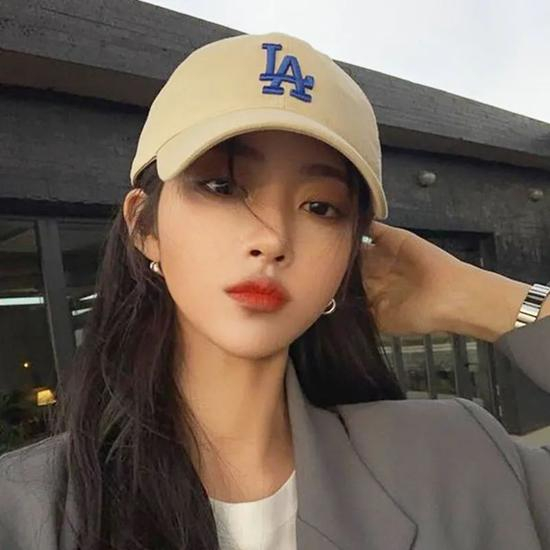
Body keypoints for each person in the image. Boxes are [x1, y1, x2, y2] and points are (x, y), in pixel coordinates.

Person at [1, 31, 549, 550]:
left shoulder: (456, 456)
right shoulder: (25, 510)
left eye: (321, 207)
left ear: (350, 250)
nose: (273, 239)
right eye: (222, 186)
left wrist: (483, 300)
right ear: (144, 226)